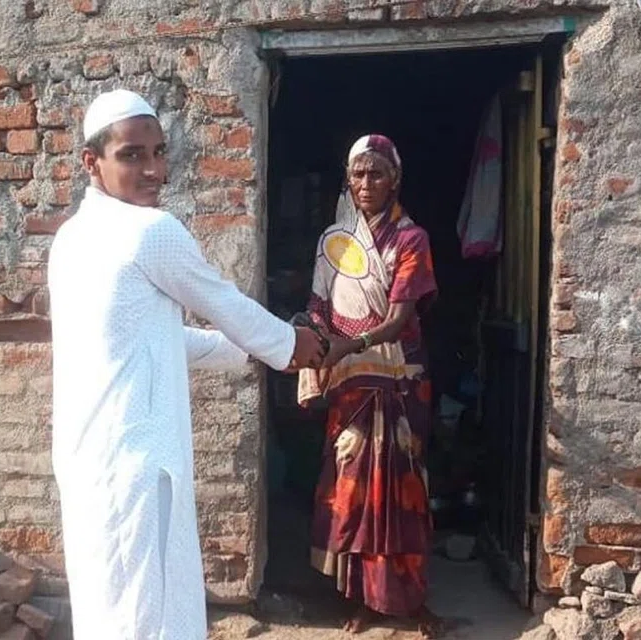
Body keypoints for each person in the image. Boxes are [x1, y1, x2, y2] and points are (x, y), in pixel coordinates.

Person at [48, 89, 328, 640]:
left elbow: (151, 338)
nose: (154, 170)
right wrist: (293, 346)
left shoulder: (71, 238)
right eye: (132, 155)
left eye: (159, 152)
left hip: (89, 463)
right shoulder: (150, 232)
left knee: (109, 610)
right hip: (138, 468)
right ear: (91, 162)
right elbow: (226, 304)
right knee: (146, 620)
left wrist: (249, 350)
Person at [299, 134, 441, 637]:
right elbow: (318, 303)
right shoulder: (333, 242)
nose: (366, 183)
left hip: (398, 378)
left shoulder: (411, 240)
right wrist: (317, 335)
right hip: (348, 381)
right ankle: (362, 599)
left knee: (399, 491)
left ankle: (406, 600)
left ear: (395, 180)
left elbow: (400, 319)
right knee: (354, 488)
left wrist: (348, 346)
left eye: (376, 173)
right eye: (358, 174)